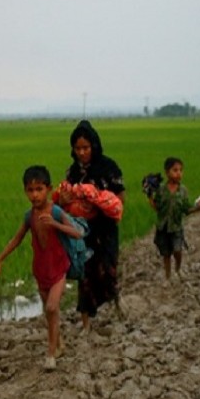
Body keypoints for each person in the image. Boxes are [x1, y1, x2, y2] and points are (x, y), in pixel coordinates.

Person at [0, 166, 84, 370]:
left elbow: (77, 233)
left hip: (59, 268)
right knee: (49, 311)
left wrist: (55, 224)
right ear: (25, 191)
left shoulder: (55, 211)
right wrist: (0, 259)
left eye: (39, 189)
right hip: (41, 270)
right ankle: (59, 344)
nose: (35, 194)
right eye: (30, 190)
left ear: (49, 189)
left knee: (52, 307)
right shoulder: (29, 216)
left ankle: (50, 355)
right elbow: (17, 239)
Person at [60, 120, 125, 332]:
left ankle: (116, 301)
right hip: (82, 232)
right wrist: (66, 199)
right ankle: (86, 323)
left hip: (105, 229)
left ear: (94, 146)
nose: (81, 152)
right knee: (85, 274)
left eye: (85, 148)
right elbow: (63, 202)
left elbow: (120, 197)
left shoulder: (108, 168)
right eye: (77, 148)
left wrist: (101, 202)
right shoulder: (72, 173)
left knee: (108, 270)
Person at [148, 157, 200, 280]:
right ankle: (168, 275)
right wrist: (149, 196)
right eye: (175, 170)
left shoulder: (183, 191)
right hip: (163, 227)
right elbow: (157, 206)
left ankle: (178, 268)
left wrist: (198, 208)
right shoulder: (160, 190)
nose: (178, 173)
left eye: (181, 170)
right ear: (167, 172)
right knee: (166, 253)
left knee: (177, 250)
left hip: (176, 227)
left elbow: (186, 209)